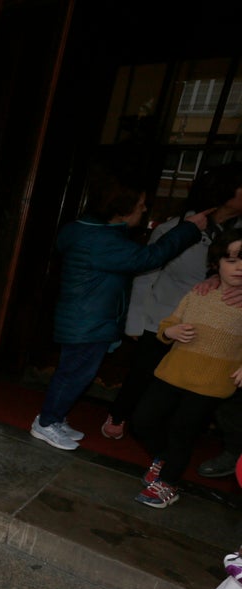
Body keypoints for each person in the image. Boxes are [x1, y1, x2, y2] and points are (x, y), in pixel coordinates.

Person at [28, 162, 210, 451]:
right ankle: (46, 423)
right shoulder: (103, 241)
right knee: (73, 375)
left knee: (74, 373)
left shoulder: (84, 230)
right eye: (140, 205)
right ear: (122, 210)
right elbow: (149, 258)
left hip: (85, 319)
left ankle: (54, 417)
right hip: (87, 322)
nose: (144, 210)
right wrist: (187, 229)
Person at [102, 162, 242, 440]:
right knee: (145, 373)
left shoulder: (239, 235)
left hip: (214, 322)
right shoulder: (174, 228)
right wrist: (136, 322)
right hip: (163, 316)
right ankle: (120, 414)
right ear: (227, 192)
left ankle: (172, 437)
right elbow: (144, 276)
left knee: (191, 384)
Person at [129, 229, 242, 508]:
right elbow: (168, 325)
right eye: (231, 260)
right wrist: (172, 332)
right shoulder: (199, 291)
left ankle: (168, 483)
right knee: (141, 420)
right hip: (174, 371)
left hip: (212, 381)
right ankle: (164, 459)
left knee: (182, 431)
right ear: (216, 263)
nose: (239, 267)